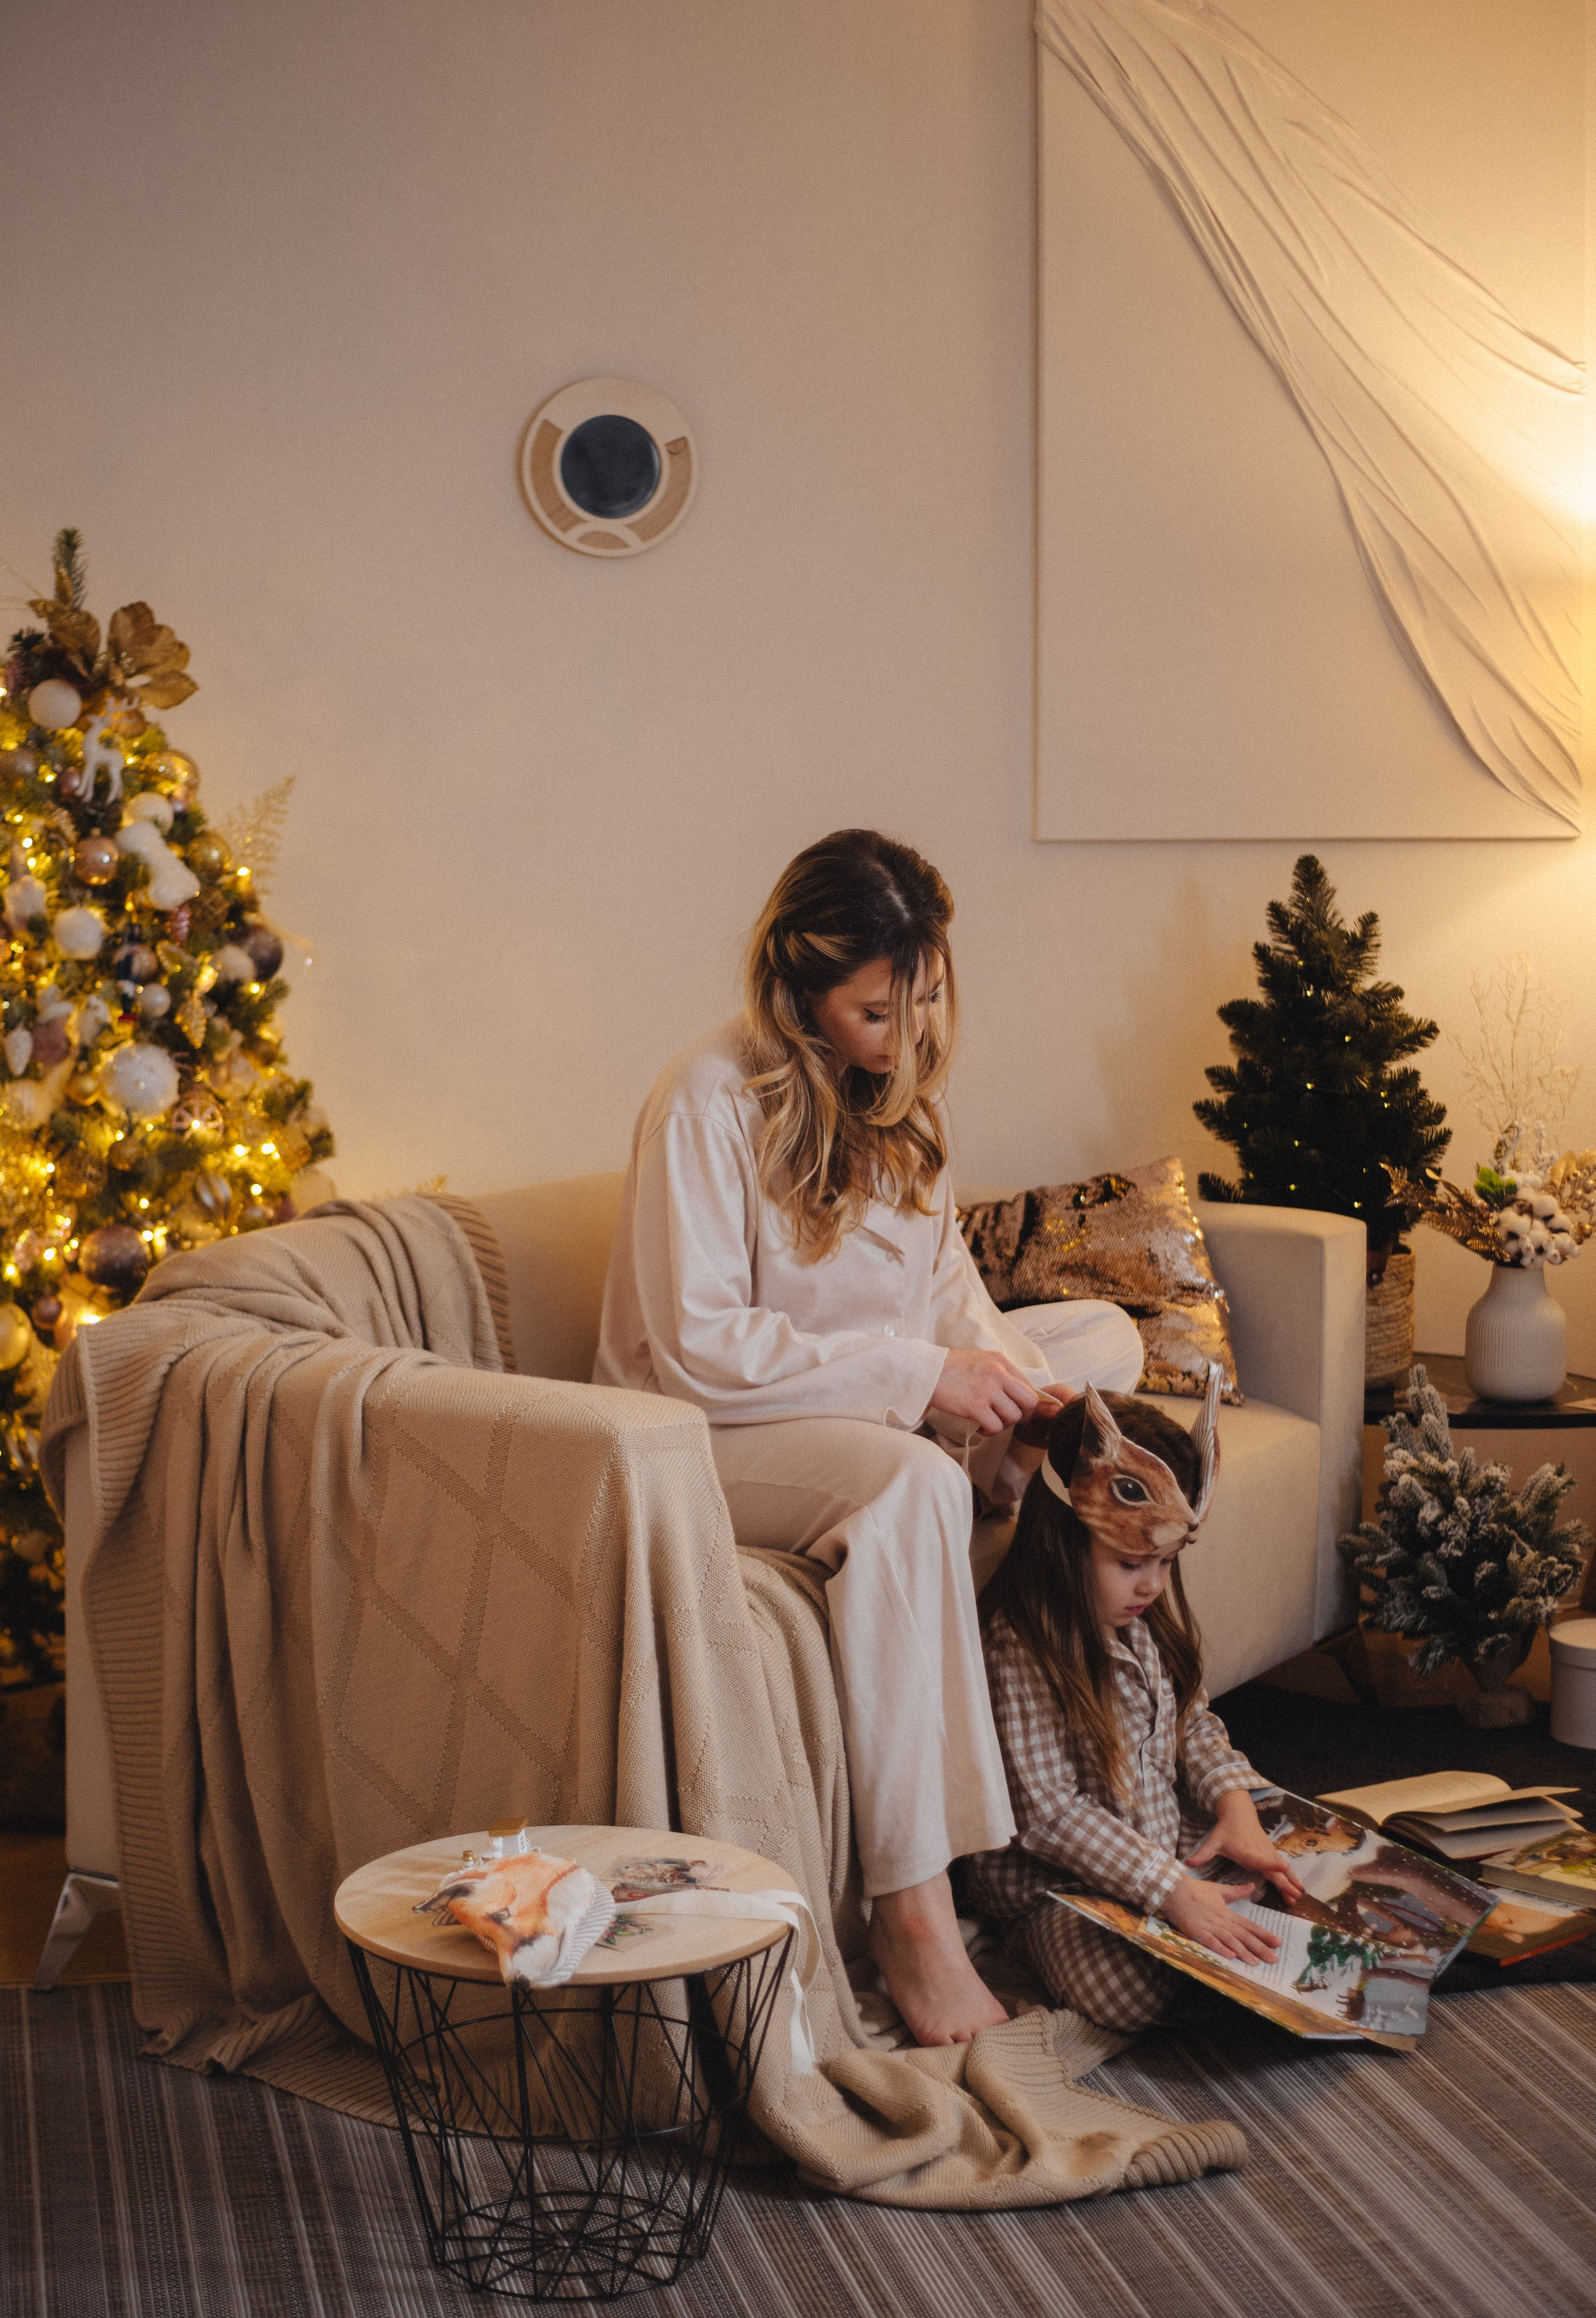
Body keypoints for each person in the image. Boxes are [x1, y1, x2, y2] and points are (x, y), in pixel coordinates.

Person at [594, 829, 1143, 2045]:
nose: (906, 1036)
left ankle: (1000, 1468)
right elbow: (700, 1348)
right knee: (909, 1489)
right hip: (700, 1430)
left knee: (1102, 1344)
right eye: (874, 1011)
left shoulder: (901, 1097)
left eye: (925, 999)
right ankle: (913, 1917)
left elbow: (942, 1291)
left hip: (858, 1406)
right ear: (797, 992)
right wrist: (926, 1376)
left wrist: (1013, 1380)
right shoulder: (706, 1099)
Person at [966, 1378, 1304, 2031]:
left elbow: (1193, 1726)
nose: (1152, 1584)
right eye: (1130, 1563)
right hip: (1060, 1886)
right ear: (1062, 1540)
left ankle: (1226, 1943)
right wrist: (1171, 1891)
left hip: (1161, 1842)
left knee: (1295, 1876)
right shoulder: (1018, 1646)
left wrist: (1234, 1807)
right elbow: (1050, 1815)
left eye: (1167, 1562)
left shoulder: (1141, 1622)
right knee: (1127, 1992)